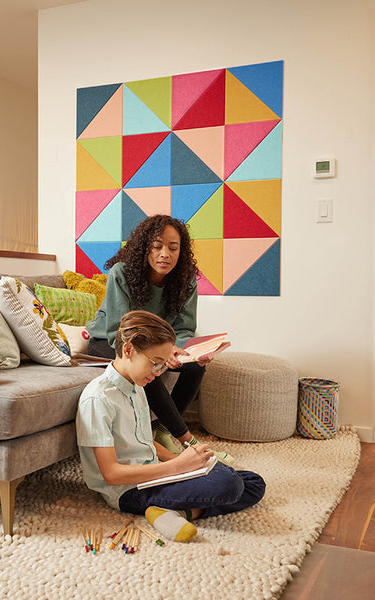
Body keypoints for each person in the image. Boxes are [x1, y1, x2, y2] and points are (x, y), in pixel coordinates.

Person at [76, 310, 266, 542]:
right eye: (155, 363)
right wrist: (179, 466)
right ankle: (173, 508)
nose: (157, 373)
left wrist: (191, 460)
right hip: (128, 490)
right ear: (128, 350)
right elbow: (111, 474)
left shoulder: (136, 387)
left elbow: (144, 441)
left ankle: (177, 512)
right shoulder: (98, 399)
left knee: (253, 482)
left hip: (155, 474)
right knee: (229, 484)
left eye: (162, 365)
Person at [85, 214, 233, 465]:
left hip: (158, 344)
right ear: (145, 248)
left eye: (173, 248)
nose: (165, 253)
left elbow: (185, 329)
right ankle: (188, 441)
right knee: (145, 363)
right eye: (157, 246)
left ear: (181, 251)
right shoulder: (121, 273)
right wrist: (164, 352)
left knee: (194, 366)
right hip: (112, 340)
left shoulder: (186, 280)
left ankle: (163, 432)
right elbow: (120, 329)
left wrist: (182, 351)